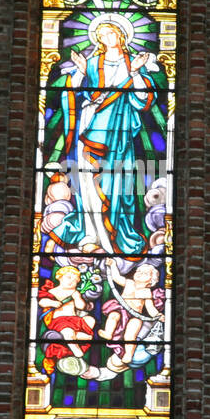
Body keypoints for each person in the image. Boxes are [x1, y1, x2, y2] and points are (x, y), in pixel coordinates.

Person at [53, 21, 159, 256]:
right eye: (102, 35)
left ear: (121, 35)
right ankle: (91, 233)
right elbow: (75, 92)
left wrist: (134, 73)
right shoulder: (92, 63)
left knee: (117, 183)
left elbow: (143, 99)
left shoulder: (135, 63)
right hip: (92, 125)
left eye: (111, 33)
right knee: (89, 180)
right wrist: (80, 71)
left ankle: (117, 237)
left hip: (120, 132)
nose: (107, 38)